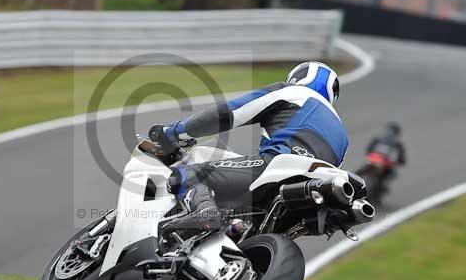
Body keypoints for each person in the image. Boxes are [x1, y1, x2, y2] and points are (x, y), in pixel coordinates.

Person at [148, 61, 348, 234]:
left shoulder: (294, 93)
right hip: (311, 196)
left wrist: (174, 132)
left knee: (186, 174)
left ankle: (204, 210)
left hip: (278, 166)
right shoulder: (342, 135)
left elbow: (229, 113)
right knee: (237, 225)